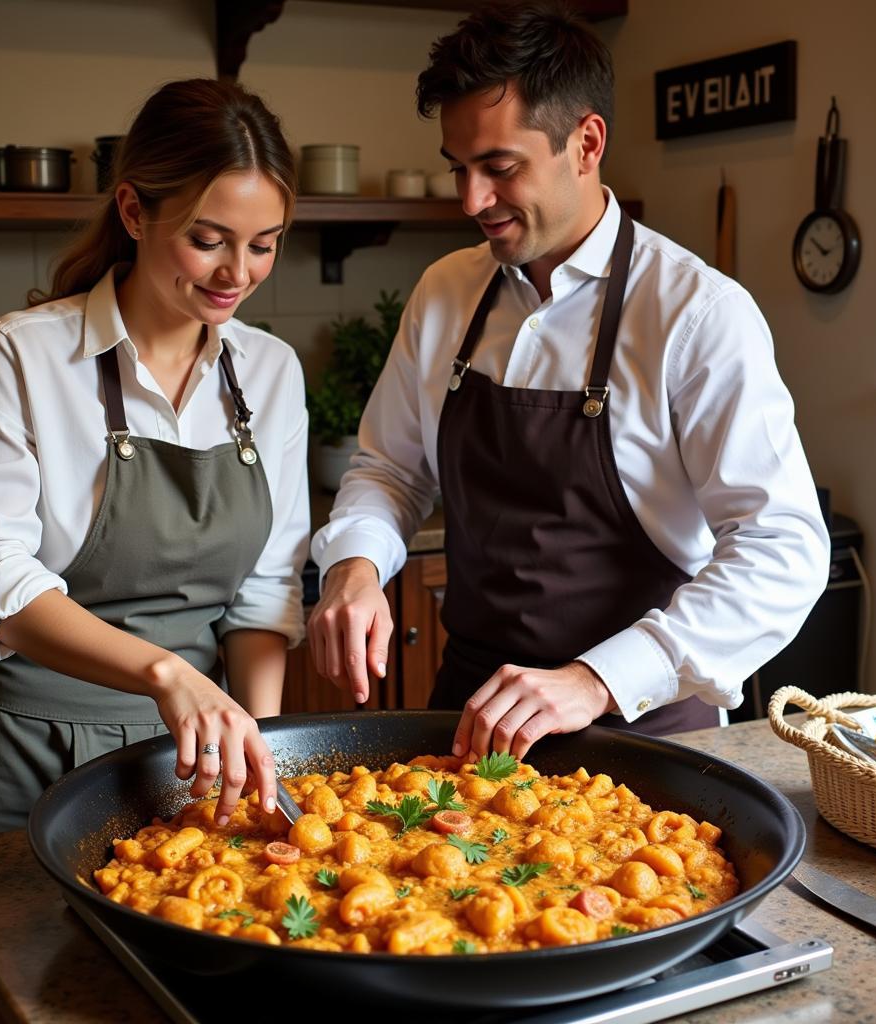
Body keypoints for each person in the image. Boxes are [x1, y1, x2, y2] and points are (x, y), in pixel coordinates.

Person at [308, 1, 830, 760]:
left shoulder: (697, 313)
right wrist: (354, 567)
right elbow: (389, 469)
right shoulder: (446, 291)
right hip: (467, 722)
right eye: (460, 168)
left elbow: (782, 548)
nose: (471, 201)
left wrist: (596, 678)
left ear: (586, 143)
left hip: (641, 735)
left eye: (500, 167)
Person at [0, 79, 310, 839]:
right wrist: (167, 674)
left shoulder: (270, 371)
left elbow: (266, 590)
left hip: (198, 764)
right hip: (32, 752)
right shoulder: (23, 355)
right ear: (134, 211)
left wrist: (263, 747)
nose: (238, 273)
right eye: (208, 240)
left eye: (263, 245)